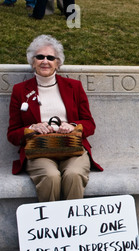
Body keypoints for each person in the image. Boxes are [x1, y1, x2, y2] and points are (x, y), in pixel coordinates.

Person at [7, 34, 103, 202]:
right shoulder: (20, 90)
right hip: (38, 150)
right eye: (40, 57)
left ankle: (72, 225)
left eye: (51, 57)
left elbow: (89, 124)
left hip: (72, 148)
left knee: (73, 174)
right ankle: (53, 226)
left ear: (58, 63)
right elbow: (12, 134)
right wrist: (31, 129)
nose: (45, 61)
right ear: (33, 61)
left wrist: (73, 126)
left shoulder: (74, 87)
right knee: (50, 176)